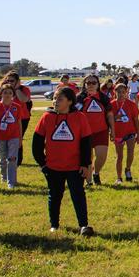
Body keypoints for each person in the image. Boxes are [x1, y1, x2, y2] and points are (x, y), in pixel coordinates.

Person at [32, 86, 94, 236]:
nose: (55, 101)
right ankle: (54, 224)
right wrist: (43, 164)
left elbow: (86, 143)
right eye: (54, 98)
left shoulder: (80, 117)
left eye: (59, 99)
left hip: (74, 167)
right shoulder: (47, 117)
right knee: (54, 195)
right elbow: (37, 144)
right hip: (53, 167)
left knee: (78, 195)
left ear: (70, 101)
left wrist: (85, 165)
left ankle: (83, 225)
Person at [73, 74, 114, 187]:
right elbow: (73, 115)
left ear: (98, 84)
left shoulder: (104, 98)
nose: (91, 85)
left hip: (101, 131)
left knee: (101, 156)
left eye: (93, 83)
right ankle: (89, 180)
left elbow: (110, 115)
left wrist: (113, 131)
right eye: (88, 83)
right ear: (85, 84)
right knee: (87, 157)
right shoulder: (79, 98)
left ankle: (96, 173)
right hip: (84, 132)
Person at [0, 85, 25, 188]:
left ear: (13, 95)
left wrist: (20, 138)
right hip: (0, 137)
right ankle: (4, 176)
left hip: (14, 137)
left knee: (12, 158)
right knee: (3, 158)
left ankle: (11, 182)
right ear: (1, 94)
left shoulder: (17, 107)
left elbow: (19, 123)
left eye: (10, 93)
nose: (7, 95)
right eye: (5, 92)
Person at [110, 81, 139, 183]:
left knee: (130, 152)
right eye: (119, 92)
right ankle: (118, 177)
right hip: (118, 134)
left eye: (123, 92)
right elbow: (108, 121)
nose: (121, 94)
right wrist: (115, 118)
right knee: (119, 156)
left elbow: (136, 120)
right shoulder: (112, 104)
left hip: (130, 132)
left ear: (127, 92)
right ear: (115, 92)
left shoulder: (131, 104)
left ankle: (128, 169)